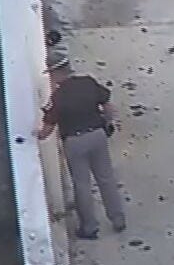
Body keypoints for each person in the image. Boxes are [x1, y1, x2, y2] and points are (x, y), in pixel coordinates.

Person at [35, 56, 128, 239]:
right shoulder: (88, 82)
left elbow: (46, 130)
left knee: (82, 184)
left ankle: (89, 227)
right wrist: (108, 124)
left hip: (75, 142)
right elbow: (109, 108)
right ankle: (118, 219)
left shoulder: (57, 98)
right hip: (97, 136)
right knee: (106, 178)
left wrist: (35, 134)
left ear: (56, 74)